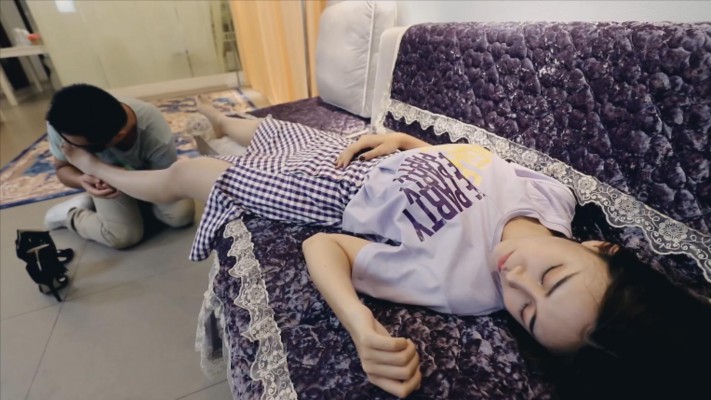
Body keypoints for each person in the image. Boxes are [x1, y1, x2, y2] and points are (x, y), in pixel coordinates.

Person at [59, 99, 711, 399]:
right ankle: (220, 120)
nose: (514, 277)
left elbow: (327, 246)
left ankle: (99, 170)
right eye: (553, 277)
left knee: (190, 175)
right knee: (269, 129)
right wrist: (413, 145)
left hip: (330, 194)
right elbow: (478, 163)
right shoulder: (554, 200)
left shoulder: (462, 285)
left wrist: (361, 325)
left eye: (526, 312)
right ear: (600, 247)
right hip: (370, 154)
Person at [44, 83, 195, 249]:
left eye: (83, 148)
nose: (73, 147)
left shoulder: (152, 129)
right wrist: (81, 180)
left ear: (118, 137)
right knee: (124, 236)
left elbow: (167, 181)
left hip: (150, 178)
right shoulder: (63, 126)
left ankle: (131, 209)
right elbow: (62, 169)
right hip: (107, 186)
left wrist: (97, 167)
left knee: (181, 216)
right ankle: (71, 214)